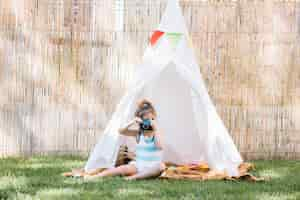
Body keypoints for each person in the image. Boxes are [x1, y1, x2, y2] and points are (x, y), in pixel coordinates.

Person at [84, 99, 165, 180]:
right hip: (139, 166)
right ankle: (95, 177)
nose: (146, 123)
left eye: (148, 120)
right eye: (144, 120)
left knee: (161, 167)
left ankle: (133, 178)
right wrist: (132, 122)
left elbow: (159, 147)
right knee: (121, 169)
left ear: (153, 118)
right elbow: (121, 131)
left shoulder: (157, 133)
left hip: (153, 167)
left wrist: (155, 128)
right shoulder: (138, 133)